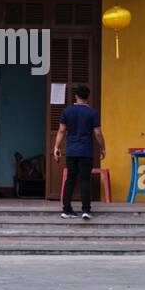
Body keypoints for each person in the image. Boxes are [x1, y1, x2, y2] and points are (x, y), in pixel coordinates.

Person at [53, 84, 104, 220]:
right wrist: (102, 147)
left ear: (76, 96)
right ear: (88, 97)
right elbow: (97, 133)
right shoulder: (92, 113)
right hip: (86, 151)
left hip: (71, 151)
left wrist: (56, 147)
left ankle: (66, 209)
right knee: (85, 180)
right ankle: (86, 210)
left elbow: (62, 131)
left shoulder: (67, 112)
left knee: (70, 179)